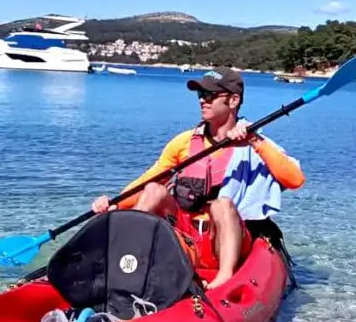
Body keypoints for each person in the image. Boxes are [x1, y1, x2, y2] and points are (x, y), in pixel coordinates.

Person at [91, 67, 305, 289]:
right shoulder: (184, 142)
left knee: (222, 205)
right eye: (200, 95)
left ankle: (224, 278)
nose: (203, 100)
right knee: (154, 189)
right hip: (187, 239)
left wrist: (254, 141)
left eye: (210, 95)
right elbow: (148, 179)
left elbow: (295, 180)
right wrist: (114, 203)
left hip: (226, 241)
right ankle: (125, 260)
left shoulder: (255, 143)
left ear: (233, 100)